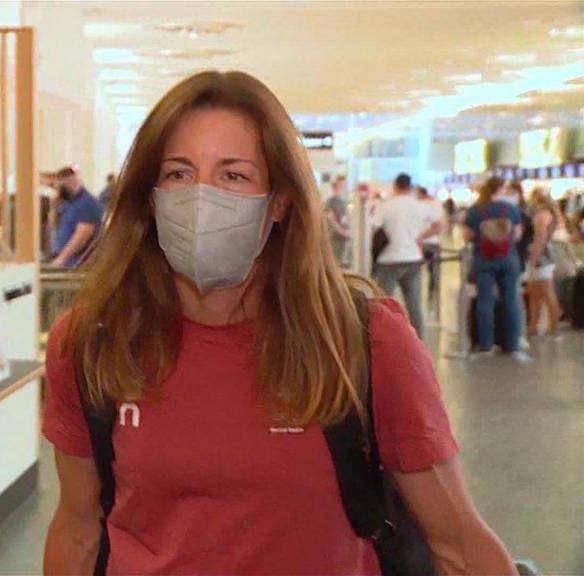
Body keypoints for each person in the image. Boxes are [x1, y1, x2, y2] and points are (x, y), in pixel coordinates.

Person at [42, 71, 514, 575]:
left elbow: (459, 543)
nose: (201, 199)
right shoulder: (93, 342)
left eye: (233, 176)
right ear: (151, 196)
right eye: (179, 174)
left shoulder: (362, 341)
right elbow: (77, 528)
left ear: (280, 201)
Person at [371, 173, 444, 338]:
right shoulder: (420, 205)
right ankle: (418, 340)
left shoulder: (386, 206)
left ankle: (380, 337)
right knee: (414, 303)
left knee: (382, 303)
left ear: (395, 186)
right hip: (413, 258)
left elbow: (374, 227)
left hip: (389, 259)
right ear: (410, 187)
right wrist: (422, 236)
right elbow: (440, 223)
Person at [463, 176, 526, 361]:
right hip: (508, 259)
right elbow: (517, 235)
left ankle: (486, 345)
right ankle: (511, 344)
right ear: (500, 189)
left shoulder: (475, 210)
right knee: (510, 300)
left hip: (483, 259)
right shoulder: (511, 209)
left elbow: (467, 236)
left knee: (484, 300)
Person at [525, 186, 563, 339]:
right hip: (545, 256)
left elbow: (540, 238)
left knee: (547, 292)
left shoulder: (542, 215)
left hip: (542, 257)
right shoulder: (550, 213)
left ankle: (554, 328)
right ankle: (533, 326)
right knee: (535, 293)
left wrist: (534, 257)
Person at [50, 166, 103, 268]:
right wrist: (54, 208)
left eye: (60, 188)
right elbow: (55, 226)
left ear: (71, 182)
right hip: (67, 263)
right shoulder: (69, 202)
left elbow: (82, 236)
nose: (58, 191)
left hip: (79, 265)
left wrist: (61, 259)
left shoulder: (86, 203)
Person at [417, 185, 447, 309]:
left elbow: (440, 224)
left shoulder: (423, 205)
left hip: (423, 243)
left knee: (425, 271)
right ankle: (432, 294)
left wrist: (422, 236)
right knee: (432, 271)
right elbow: (442, 223)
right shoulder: (435, 203)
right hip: (431, 242)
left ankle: (429, 295)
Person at [324, 176, 350, 266]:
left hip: (344, 239)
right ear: (334, 187)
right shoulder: (329, 203)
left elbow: (345, 220)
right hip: (334, 239)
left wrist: (348, 231)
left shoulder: (344, 203)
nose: (343, 189)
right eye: (341, 186)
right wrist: (343, 232)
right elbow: (331, 221)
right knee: (334, 263)